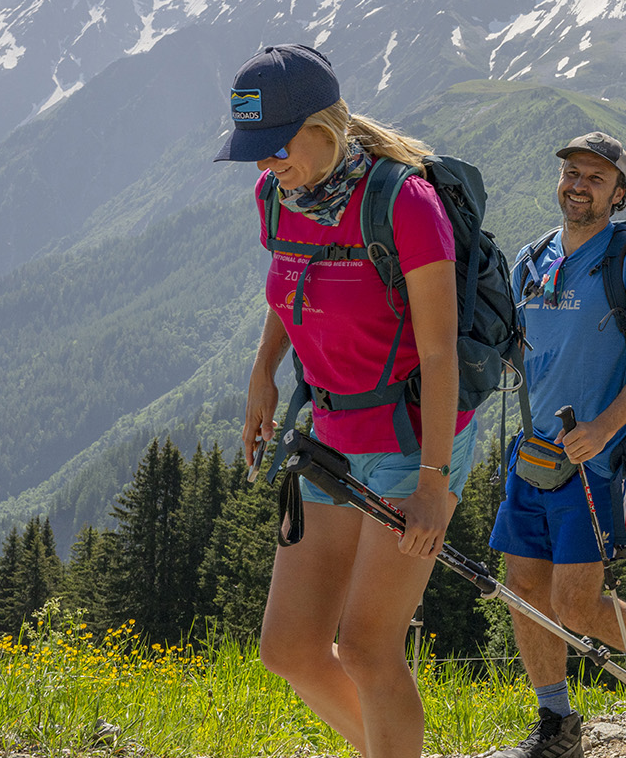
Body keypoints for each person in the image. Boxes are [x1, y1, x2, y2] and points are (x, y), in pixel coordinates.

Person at [223, 43, 479, 758]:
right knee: (290, 647)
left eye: (273, 147)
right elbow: (291, 284)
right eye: (253, 152)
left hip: (411, 434)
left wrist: (433, 485)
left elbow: (438, 350)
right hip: (330, 429)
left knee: (367, 648)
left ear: (322, 128)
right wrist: (262, 372)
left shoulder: (404, 201)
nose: (264, 164)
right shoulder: (278, 195)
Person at [487, 132, 626, 758]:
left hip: (596, 459)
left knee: (573, 602)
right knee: (523, 591)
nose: (579, 185)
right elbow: (524, 348)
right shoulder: (533, 258)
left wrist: (603, 428)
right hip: (535, 453)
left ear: (619, 193)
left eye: (595, 178)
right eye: (571, 172)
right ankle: (556, 724)